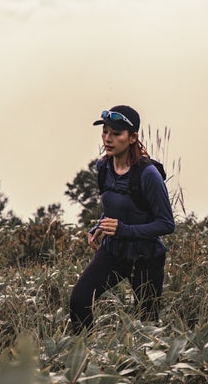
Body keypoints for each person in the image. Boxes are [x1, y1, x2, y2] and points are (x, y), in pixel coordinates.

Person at [68, 104, 176, 334]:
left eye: (116, 133)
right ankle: (84, 356)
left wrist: (124, 229)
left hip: (147, 257)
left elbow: (167, 224)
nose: (108, 138)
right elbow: (115, 209)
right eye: (105, 131)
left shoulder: (148, 175)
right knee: (79, 300)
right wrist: (100, 224)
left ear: (132, 137)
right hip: (114, 252)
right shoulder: (103, 167)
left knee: (146, 328)